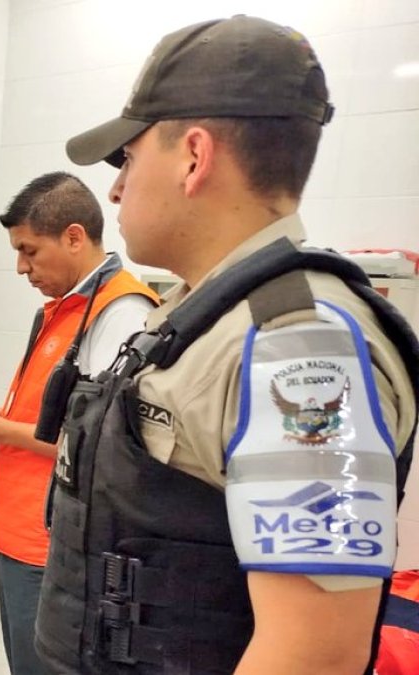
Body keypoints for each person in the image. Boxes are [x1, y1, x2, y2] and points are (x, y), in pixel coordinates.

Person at [34, 15, 419, 675]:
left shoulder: (299, 348)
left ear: (193, 155)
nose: (116, 188)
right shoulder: (204, 315)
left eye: (126, 158)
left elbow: (313, 655)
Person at [0, 172, 156, 674]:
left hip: (53, 544)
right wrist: (4, 418)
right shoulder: (67, 310)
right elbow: (60, 416)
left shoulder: (120, 314)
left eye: (29, 250)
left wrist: (2, 433)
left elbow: (106, 446)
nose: (21, 267)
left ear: (74, 236)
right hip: (20, 534)